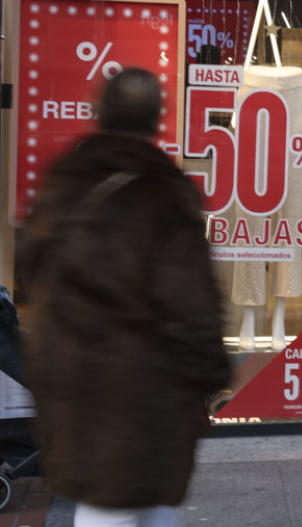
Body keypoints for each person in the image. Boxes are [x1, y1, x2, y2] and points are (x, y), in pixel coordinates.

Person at [19, 68, 232, 527]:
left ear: (101, 113)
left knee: (117, 500)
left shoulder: (67, 177)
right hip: (138, 387)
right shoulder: (165, 192)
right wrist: (210, 369)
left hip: (73, 372)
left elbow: (31, 262)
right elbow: (191, 303)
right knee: (125, 499)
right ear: (156, 119)